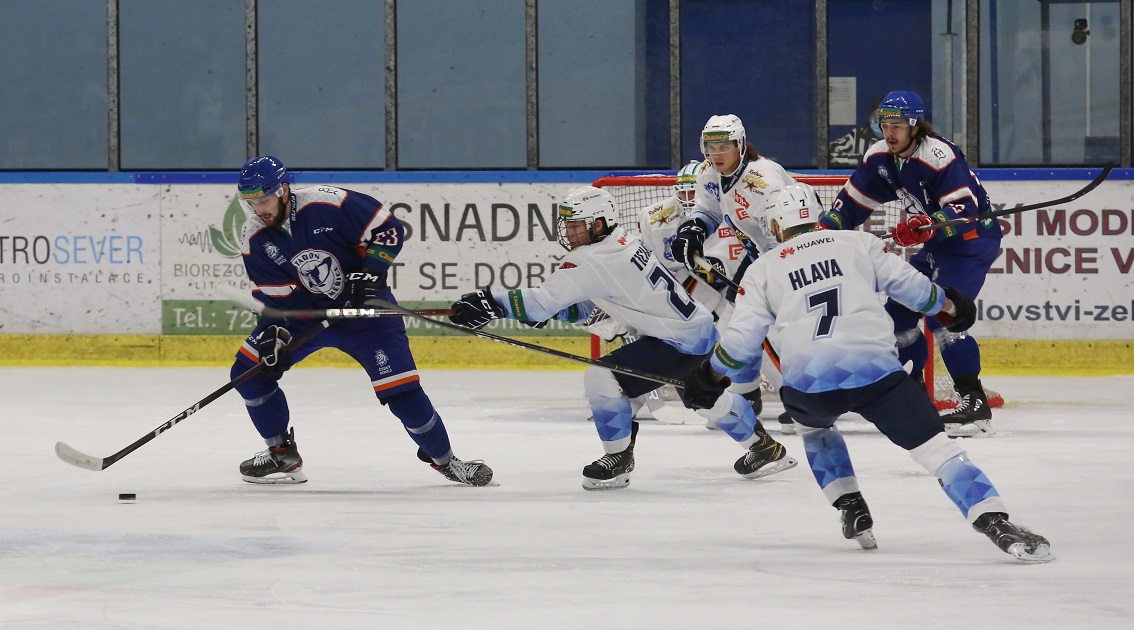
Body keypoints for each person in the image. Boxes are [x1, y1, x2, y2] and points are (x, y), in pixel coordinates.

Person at [682, 184, 1052, 563]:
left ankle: (849, 504)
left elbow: (741, 347)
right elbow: (917, 291)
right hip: (878, 376)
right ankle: (995, 522)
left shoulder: (761, 270)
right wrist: (952, 306)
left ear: (776, 227)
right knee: (940, 453)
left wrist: (708, 377)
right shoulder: (859, 243)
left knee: (814, 427)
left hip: (811, 388)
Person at [447, 185, 797, 491]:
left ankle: (618, 460)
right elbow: (586, 304)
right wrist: (522, 310)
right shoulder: (620, 241)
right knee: (696, 393)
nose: (569, 232)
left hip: (674, 339)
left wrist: (488, 302)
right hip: (693, 329)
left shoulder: (591, 258)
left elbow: (540, 304)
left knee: (602, 379)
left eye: (575, 225)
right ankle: (764, 447)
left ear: (598, 223)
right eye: (567, 224)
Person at [230, 155, 493, 486]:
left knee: (402, 393)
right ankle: (281, 452)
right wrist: (273, 335)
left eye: (263, 199)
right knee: (249, 373)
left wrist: (370, 274)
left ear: (283, 190)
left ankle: (446, 461)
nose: (258, 209)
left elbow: (388, 230)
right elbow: (274, 297)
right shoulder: (254, 236)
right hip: (305, 319)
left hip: (366, 313)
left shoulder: (328, 203)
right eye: (251, 202)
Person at [819, 90, 1002, 438]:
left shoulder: (938, 154)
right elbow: (851, 205)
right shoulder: (879, 158)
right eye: (884, 124)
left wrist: (924, 224)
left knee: (945, 315)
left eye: (898, 125)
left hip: (971, 241)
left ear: (915, 126)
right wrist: (822, 228)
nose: (890, 132)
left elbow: (964, 209)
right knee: (898, 319)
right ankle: (917, 397)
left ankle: (974, 402)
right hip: (936, 244)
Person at [636, 159, 792, 433]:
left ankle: (797, 400)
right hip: (695, 298)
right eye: (682, 192)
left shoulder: (732, 213)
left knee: (763, 338)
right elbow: (654, 271)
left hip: (745, 289)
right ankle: (634, 395)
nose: (688, 199)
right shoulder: (658, 219)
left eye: (693, 193)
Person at [669, 114, 802, 432]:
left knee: (774, 330)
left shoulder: (762, 179)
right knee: (741, 326)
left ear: (741, 146)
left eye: (724, 146)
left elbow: (788, 228)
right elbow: (708, 211)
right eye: (710, 146)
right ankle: (745, 397)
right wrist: (694, 230)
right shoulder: (710, 176)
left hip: (793, 254)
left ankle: (803, 400)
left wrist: (776, 277)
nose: (716, 153)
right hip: (763, 257)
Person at [827, 96, 884, 167]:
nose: (881, 121)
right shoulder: (858, 135)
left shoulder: (900, 138)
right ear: (870, 116)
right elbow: (826, 155)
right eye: (876, 116)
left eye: (885, 117)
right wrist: (863, 160)